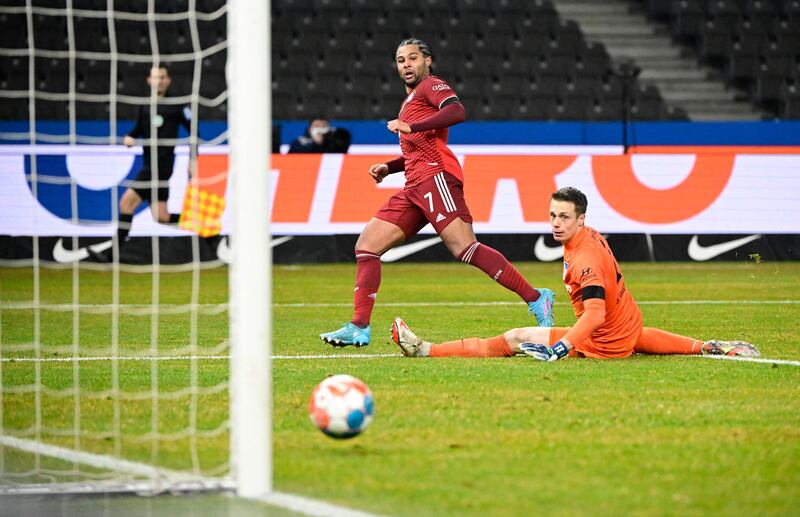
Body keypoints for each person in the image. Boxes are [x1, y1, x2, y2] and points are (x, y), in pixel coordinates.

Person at [319, 38, 554, 347]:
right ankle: (359, 327)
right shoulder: (410, 101)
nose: (406, 64)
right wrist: (389, 167)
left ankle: (537, 298)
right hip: (413, 186)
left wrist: (410, 128)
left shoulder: (432, 86)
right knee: (367, 246)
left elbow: (457, 112)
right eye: (401, 59)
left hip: (436, 177)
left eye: (413, 58)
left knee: (464, 248)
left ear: (427, 61)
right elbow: (418, 147)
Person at [390, 186, 761, 360]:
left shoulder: (584, 258)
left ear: (580, 218)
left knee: (514, 337)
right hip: (627, 326)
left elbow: (596, 315)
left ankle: (425, 350)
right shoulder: (586, 238)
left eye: (564, 216)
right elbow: (616, 320)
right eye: (552, 214)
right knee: (631, 334)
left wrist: (562, 346)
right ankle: (707, 346)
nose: (555, 222)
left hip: (603, 341)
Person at [88, 65, 193, 262]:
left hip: (159, 167)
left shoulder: (178, 104)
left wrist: (192, 158)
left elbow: (194, 131)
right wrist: (129, 137)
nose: (159, 81)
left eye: (162, 77)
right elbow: (138, 129)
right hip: (151, 164)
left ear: (168, 80)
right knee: (161, 217)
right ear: (149, 80)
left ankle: (112, 255)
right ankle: (204, 225)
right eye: (156, 77)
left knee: (126, 203)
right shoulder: (145, 105)